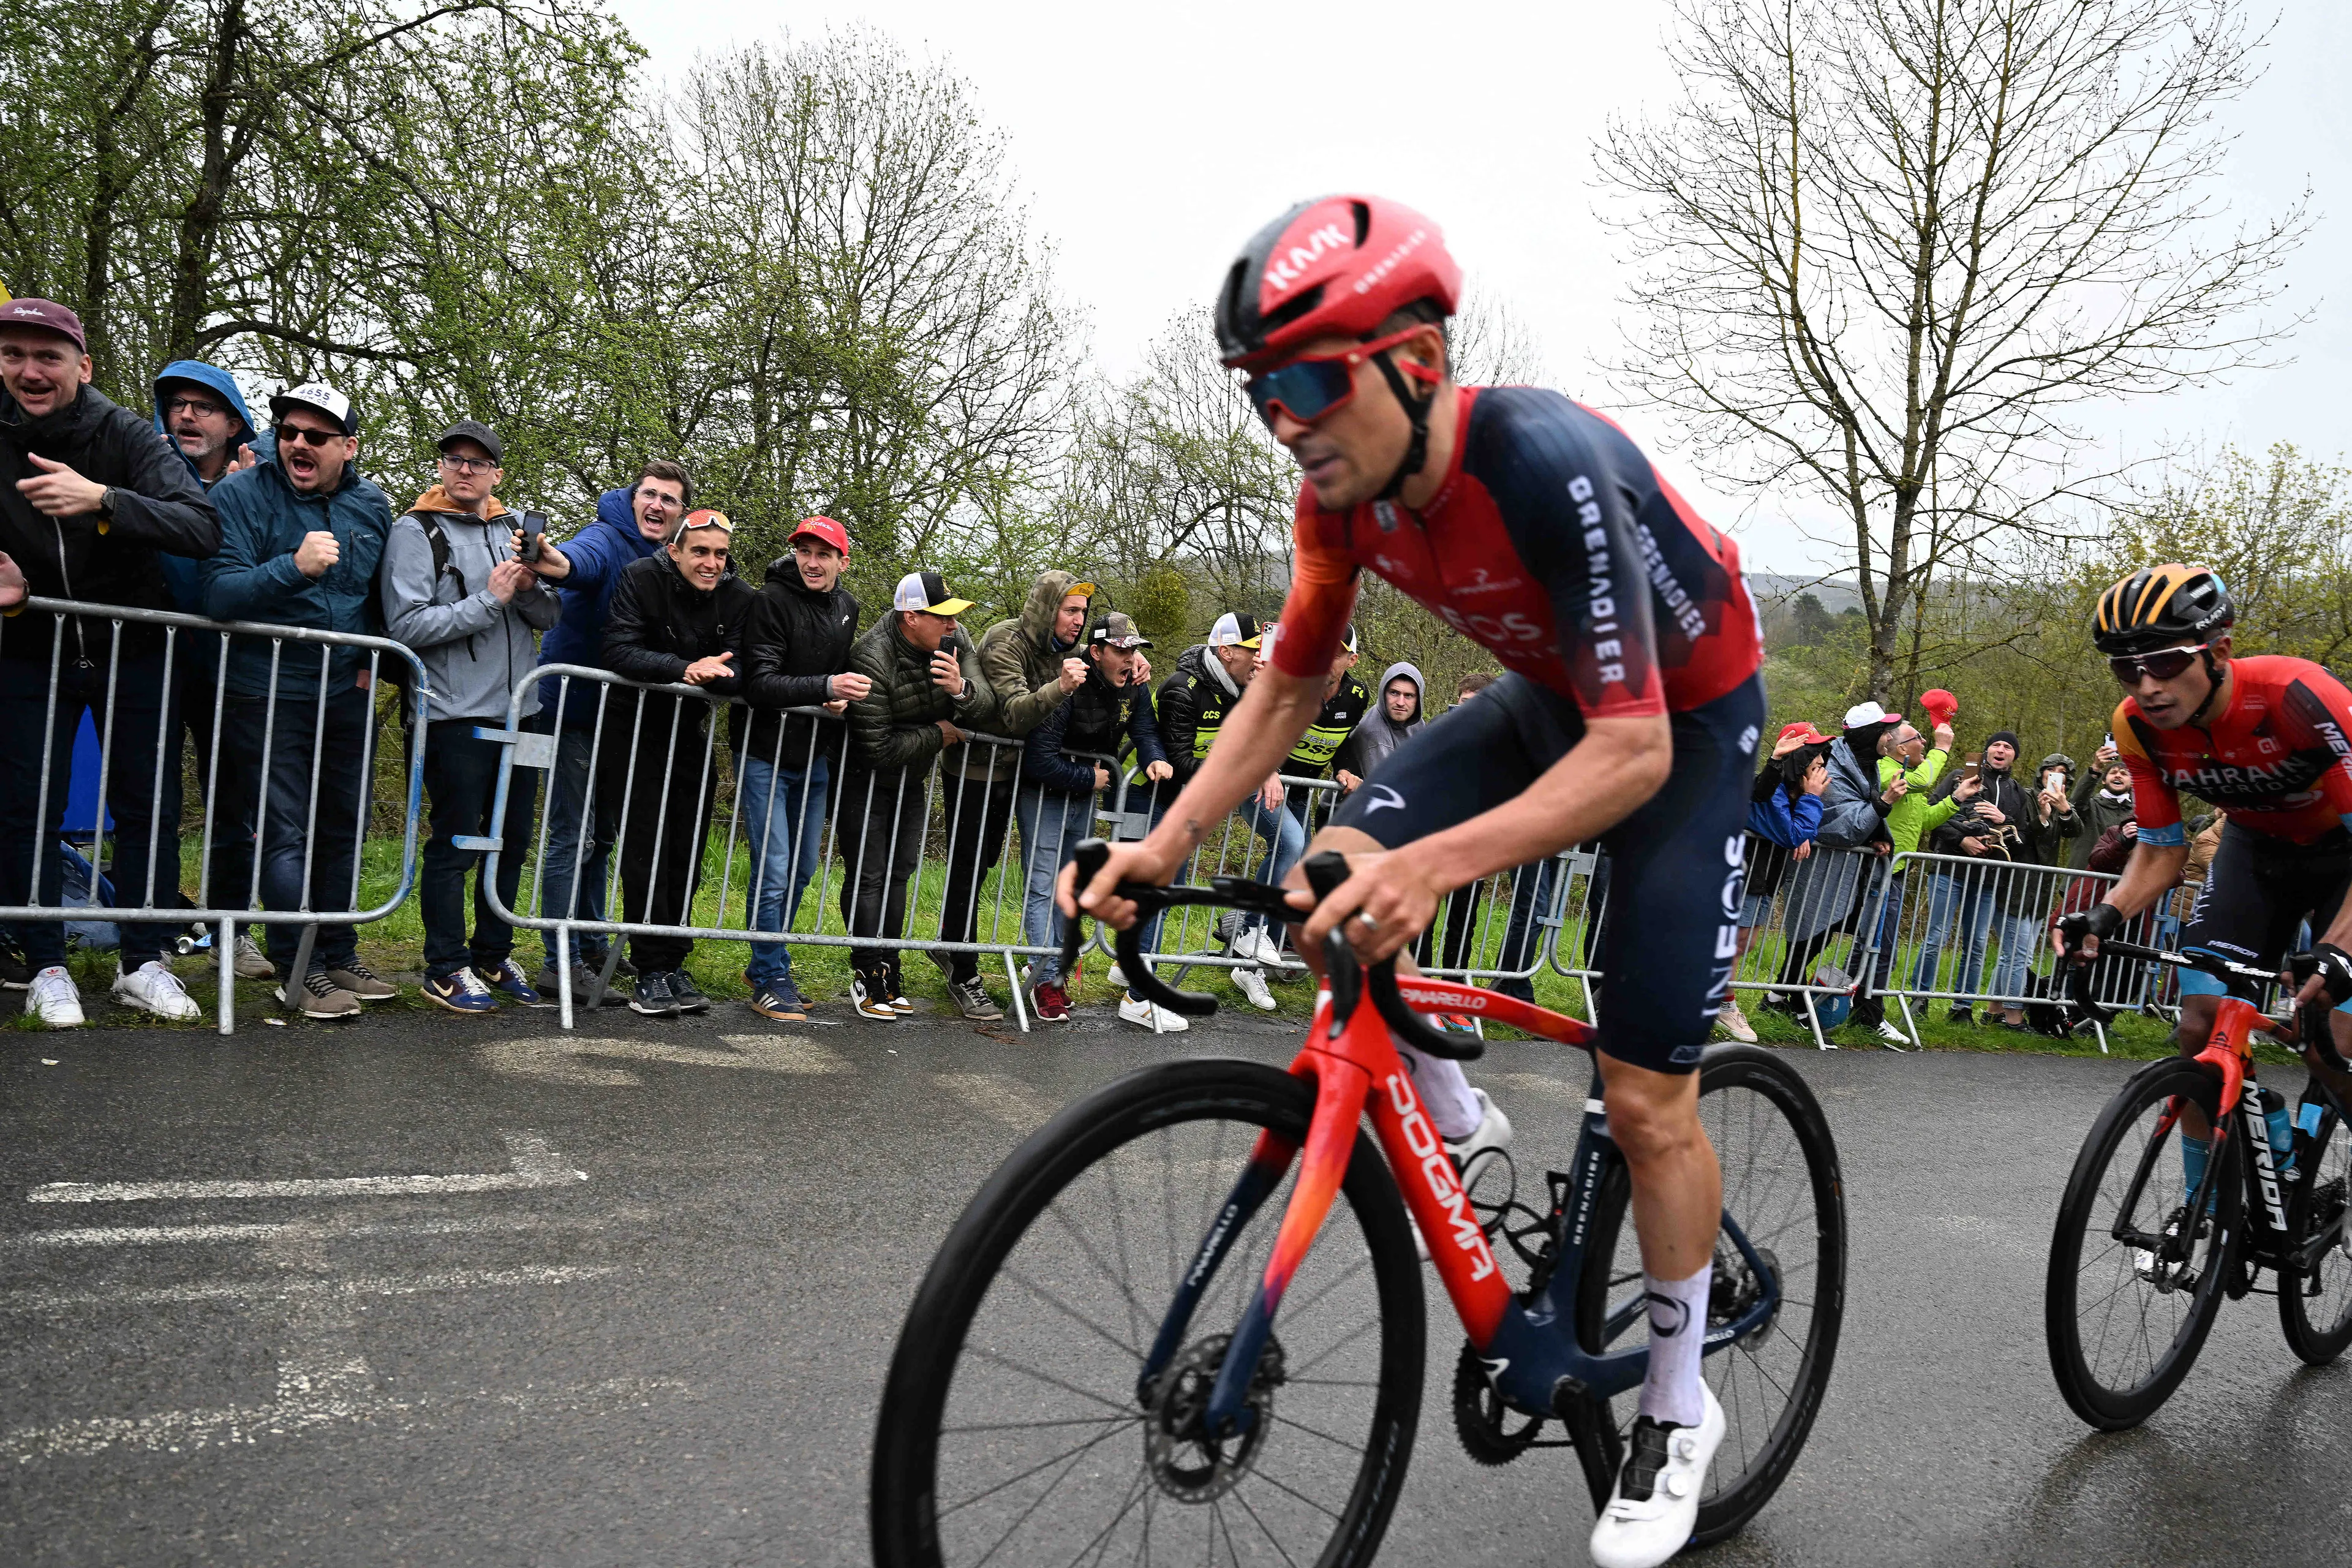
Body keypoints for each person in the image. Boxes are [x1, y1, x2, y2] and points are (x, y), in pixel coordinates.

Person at [1066, 194, 1766, 1565]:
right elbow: (1292, 680)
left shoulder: (1545, 461)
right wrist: (1165, 840)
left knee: (1643, 1095)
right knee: (1336, 864)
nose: (1286, 418)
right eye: (1263, 389)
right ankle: (1448, 1097)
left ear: (1420, 364)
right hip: (1544, 702)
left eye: (1313, 381)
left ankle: (1680, 1409)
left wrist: (1439, 864)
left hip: (1680, 729)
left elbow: (1632, 752)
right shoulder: (1337, 494)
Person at [2061, 564, 2352, 1177]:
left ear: (2218, 651)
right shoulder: (2136, 727)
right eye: (2125, 668)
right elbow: (2164, 851)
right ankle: (2204, 1211)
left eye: (2164, 662)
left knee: (2335, 1044)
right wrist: (2107, 912)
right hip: (2256, 854)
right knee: (2199, 1027)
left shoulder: (2299, 696)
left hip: (2343, 861)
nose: (2145, 685)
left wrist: (2336, 948)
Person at [0, 299, 219, 1027]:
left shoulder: (125, 434)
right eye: (14, 355)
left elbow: (199, 524)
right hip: (33, 643)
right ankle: (46, 967)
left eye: (49, 356)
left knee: (147, 805)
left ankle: (143, 962)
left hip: (135, 645)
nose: (31, 371)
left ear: (82, 366)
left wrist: (103, 500)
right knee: (30, 806)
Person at [198, 381, 398, 1018]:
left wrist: (370, 661)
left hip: (344, 692)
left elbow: (373, 600)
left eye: (316, 436)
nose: (298, 444)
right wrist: (295, 566)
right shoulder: (239, 494)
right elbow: (218, 595)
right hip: (266, 690)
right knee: (282, 834)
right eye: (288, 432)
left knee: (342, 828)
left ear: (349, 446)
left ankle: (337, 947)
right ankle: (298, 967)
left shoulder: (372, 505)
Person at [382, 418, 563, 1014]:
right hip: (453, 715)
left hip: (525, 715)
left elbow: (547, 619)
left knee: (512, 840)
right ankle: (445, 966)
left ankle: (493, 951)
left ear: (496, 474)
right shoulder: (414, 531)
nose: (465, 469)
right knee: (457, 840)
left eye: (477, 462)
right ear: (441, 467)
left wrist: (534, 583)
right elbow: (406, 627)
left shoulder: (513, 528)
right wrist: (492, 599)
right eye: (455, 459)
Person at [527, 459, 690, 1001]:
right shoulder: (607, 536)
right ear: (633, 496)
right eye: (650, 494)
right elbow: (579, 562)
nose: (658, 506)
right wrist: (552, 559)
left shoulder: (667, 557)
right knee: (571, 835)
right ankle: (560, 960)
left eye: (669, 500)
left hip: (620, 719)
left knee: (601, 837)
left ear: (680, 512)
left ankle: (593, 942)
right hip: (574, 709)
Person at [597, 507, 752, 1016]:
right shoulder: (639, 578)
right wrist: (686, 668)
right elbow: (618, 649)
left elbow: (741, 666)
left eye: (720, 554)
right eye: (701, 551)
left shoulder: (738, 596)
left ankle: (675, 960)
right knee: (645, 849)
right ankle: (648, 968)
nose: (711, 563)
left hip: (690, 731)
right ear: (675, 550)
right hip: (633, 728)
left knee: (686, 850)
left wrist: (717, 674)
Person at [148, 361, 273, 982]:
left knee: (237, 808)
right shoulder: (140, 470)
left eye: (204, 406)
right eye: (178, 405)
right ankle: (155, 933)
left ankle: (232, 931)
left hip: (234, 668)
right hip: (152, 662)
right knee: (153, 804)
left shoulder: (261, 485)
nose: (188, 416)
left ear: (233, 422)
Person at [840, 570, 995, 1020]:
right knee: (870, 876)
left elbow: (984, 702)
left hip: (911, 778)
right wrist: (940, 732)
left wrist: (960, 691)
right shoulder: (871, 657)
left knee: (901, 872)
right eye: (941, 617)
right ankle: (867, 973)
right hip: (863, 778)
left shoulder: (955, 638)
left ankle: (891, 968)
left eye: (953, 618)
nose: (952, 625)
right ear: (910, 617)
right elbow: (878, 747)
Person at [1018, 611, 1174, 1028]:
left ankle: (1048, 970)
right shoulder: (1071, 688)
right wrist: (1090, 776)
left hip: (1083, 799)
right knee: (1042, 886)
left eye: (1135, 651)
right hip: (1046, 796)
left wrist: (1155, 759)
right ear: (1096, 652)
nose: (1130, 659)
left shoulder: (1134, 688)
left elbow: (1145, 732)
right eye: (1121, 651)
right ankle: (1044, 980)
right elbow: (1038, 759)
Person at [737, 515, 864, 1022]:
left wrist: (836, 698)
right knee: (772, 872)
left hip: (814, 757)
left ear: (842, 562)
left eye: (823, 554)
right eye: (804, 551)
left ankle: (769, 962)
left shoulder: (848, 607)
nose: (811, 562)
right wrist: (825, 690)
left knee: (803, 869)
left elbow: (833, 678)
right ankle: (768, 973)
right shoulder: (770, 600)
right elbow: (760, 684)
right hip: (766, 755)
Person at [956, 570, 1098, 1021]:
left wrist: (1130, 670)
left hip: (1025, 773)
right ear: (1046, 608)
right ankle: (962, 969)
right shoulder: (1005, 641)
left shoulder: (1072, 652)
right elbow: (1015, 713)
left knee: (994, 863)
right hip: (980, 766)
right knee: (971, 865)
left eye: (1082, 612)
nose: (1078, 621)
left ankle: (978, 958)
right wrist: (1062, 687)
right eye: (1070, 610)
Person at [1155, 610, 1298, 1008]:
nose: (1259, 657)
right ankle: (1133, 969)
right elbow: (1181, 760)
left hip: (1208, 791)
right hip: (1157, 792)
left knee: (1290, 841)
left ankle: (1251, 932)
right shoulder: (1181, 688)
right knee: (1165, 881)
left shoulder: (1244, 685)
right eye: (1252, 650)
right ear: (1225, 651)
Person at [1915, 729, 2070, 1027]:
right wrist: (1962, 841)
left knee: (1977, 944)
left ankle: (1963, 1008)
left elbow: (2023, 839)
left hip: (1989, 878)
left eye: (2008, 747)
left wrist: (2005, 821)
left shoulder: (2017, 792)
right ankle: (1919, 999)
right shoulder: (1960, 777)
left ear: (2015, 756)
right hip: (1950, 870)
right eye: (1996, 745)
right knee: (1936, 936)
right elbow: (1931, 815)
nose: (2001, 750)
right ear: (1987, 752)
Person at [1770, 702, 1899, 1022]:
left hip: (1842, 869)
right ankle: (1789, 997)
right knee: (1814, 931)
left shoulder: (1865, 764)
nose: (1890, 738)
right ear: (1870, 735)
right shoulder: (1833, 766)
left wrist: (1875, 837)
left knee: (1825, 930)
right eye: (1885, 732)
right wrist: (1885, 803)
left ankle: (1779, 994)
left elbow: (1857, 814)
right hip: (1818, 865)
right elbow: (1841, 825)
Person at [1717, 723, 1830, 1042]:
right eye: (1816, 765)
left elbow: (1796, 831)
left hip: (1764, 878)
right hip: (1742, 874)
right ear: (1799, 765)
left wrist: (1802, 829)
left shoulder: (1790, 793)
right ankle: (1722, 1006)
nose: (1823, 771)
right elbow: (1790, 831)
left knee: (1744, 944)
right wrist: (1810, 803)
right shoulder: (1774, 789)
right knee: (1732, 944)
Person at [1278, 624, 1371, 837]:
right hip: (1267, 785)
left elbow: (1343, 740)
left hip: (1300, 794)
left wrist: (1345, 769)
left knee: (1301, 856)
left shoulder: (1356, 695)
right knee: (1290, 847)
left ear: (1352, 660)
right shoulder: (1293, 685)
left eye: (1336, 655)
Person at [2068, 753, 2136, 871]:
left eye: (2124, 774)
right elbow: (2075, 803)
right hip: (2082, 879)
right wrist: (2095, 769)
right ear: (2103, 780)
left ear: (2132, 784)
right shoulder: (2089, 806)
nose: (2118, 775)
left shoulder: (2136, 814)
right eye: (2113, 773)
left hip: (2118, 884)